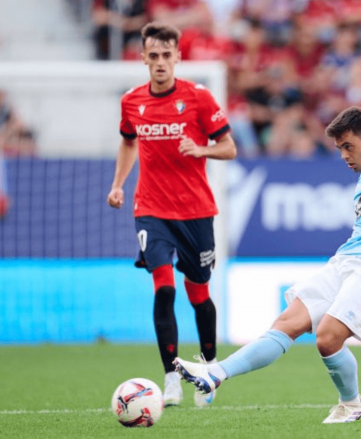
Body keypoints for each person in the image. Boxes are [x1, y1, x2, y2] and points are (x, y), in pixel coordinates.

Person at [175, 106, 361, 423]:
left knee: (328, 338)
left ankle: (351, 403)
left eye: (348, 146)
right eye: (340, 148)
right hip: (345, 260)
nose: (343, 155)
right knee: (286, 323)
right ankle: (215, 373)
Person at [106, 22, 237, 407]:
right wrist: (117, 185)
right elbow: (128, 143)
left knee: (199, 295)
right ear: (143, 58)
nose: (161, 62)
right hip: (151, 209)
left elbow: (228, 148)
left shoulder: (198, 98)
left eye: (167, 55)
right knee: (164, 288)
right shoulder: (132, 101)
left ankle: (209, 370)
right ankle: (171, 379)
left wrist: (201, 150)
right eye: (154, 55)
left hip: (196, 211)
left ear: (178, 57)